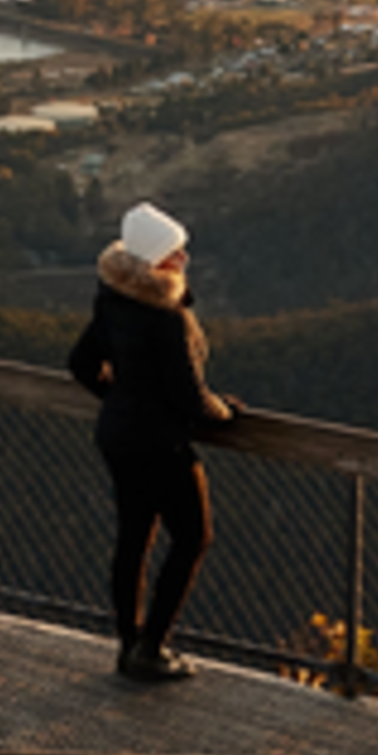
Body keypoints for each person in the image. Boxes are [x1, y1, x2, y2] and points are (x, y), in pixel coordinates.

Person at [67, 198, 236, 685]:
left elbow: (80, 365)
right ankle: (151, 648)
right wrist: (226, 416)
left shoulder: (112, 297)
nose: (183, 260)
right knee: (192, 537)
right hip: (161, 444)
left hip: (118, 437)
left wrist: (121, 399)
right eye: (173, 254)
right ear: (154, 261)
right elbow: (189, 398)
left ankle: (130, 645)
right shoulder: (168, 317)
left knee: (133, 538)